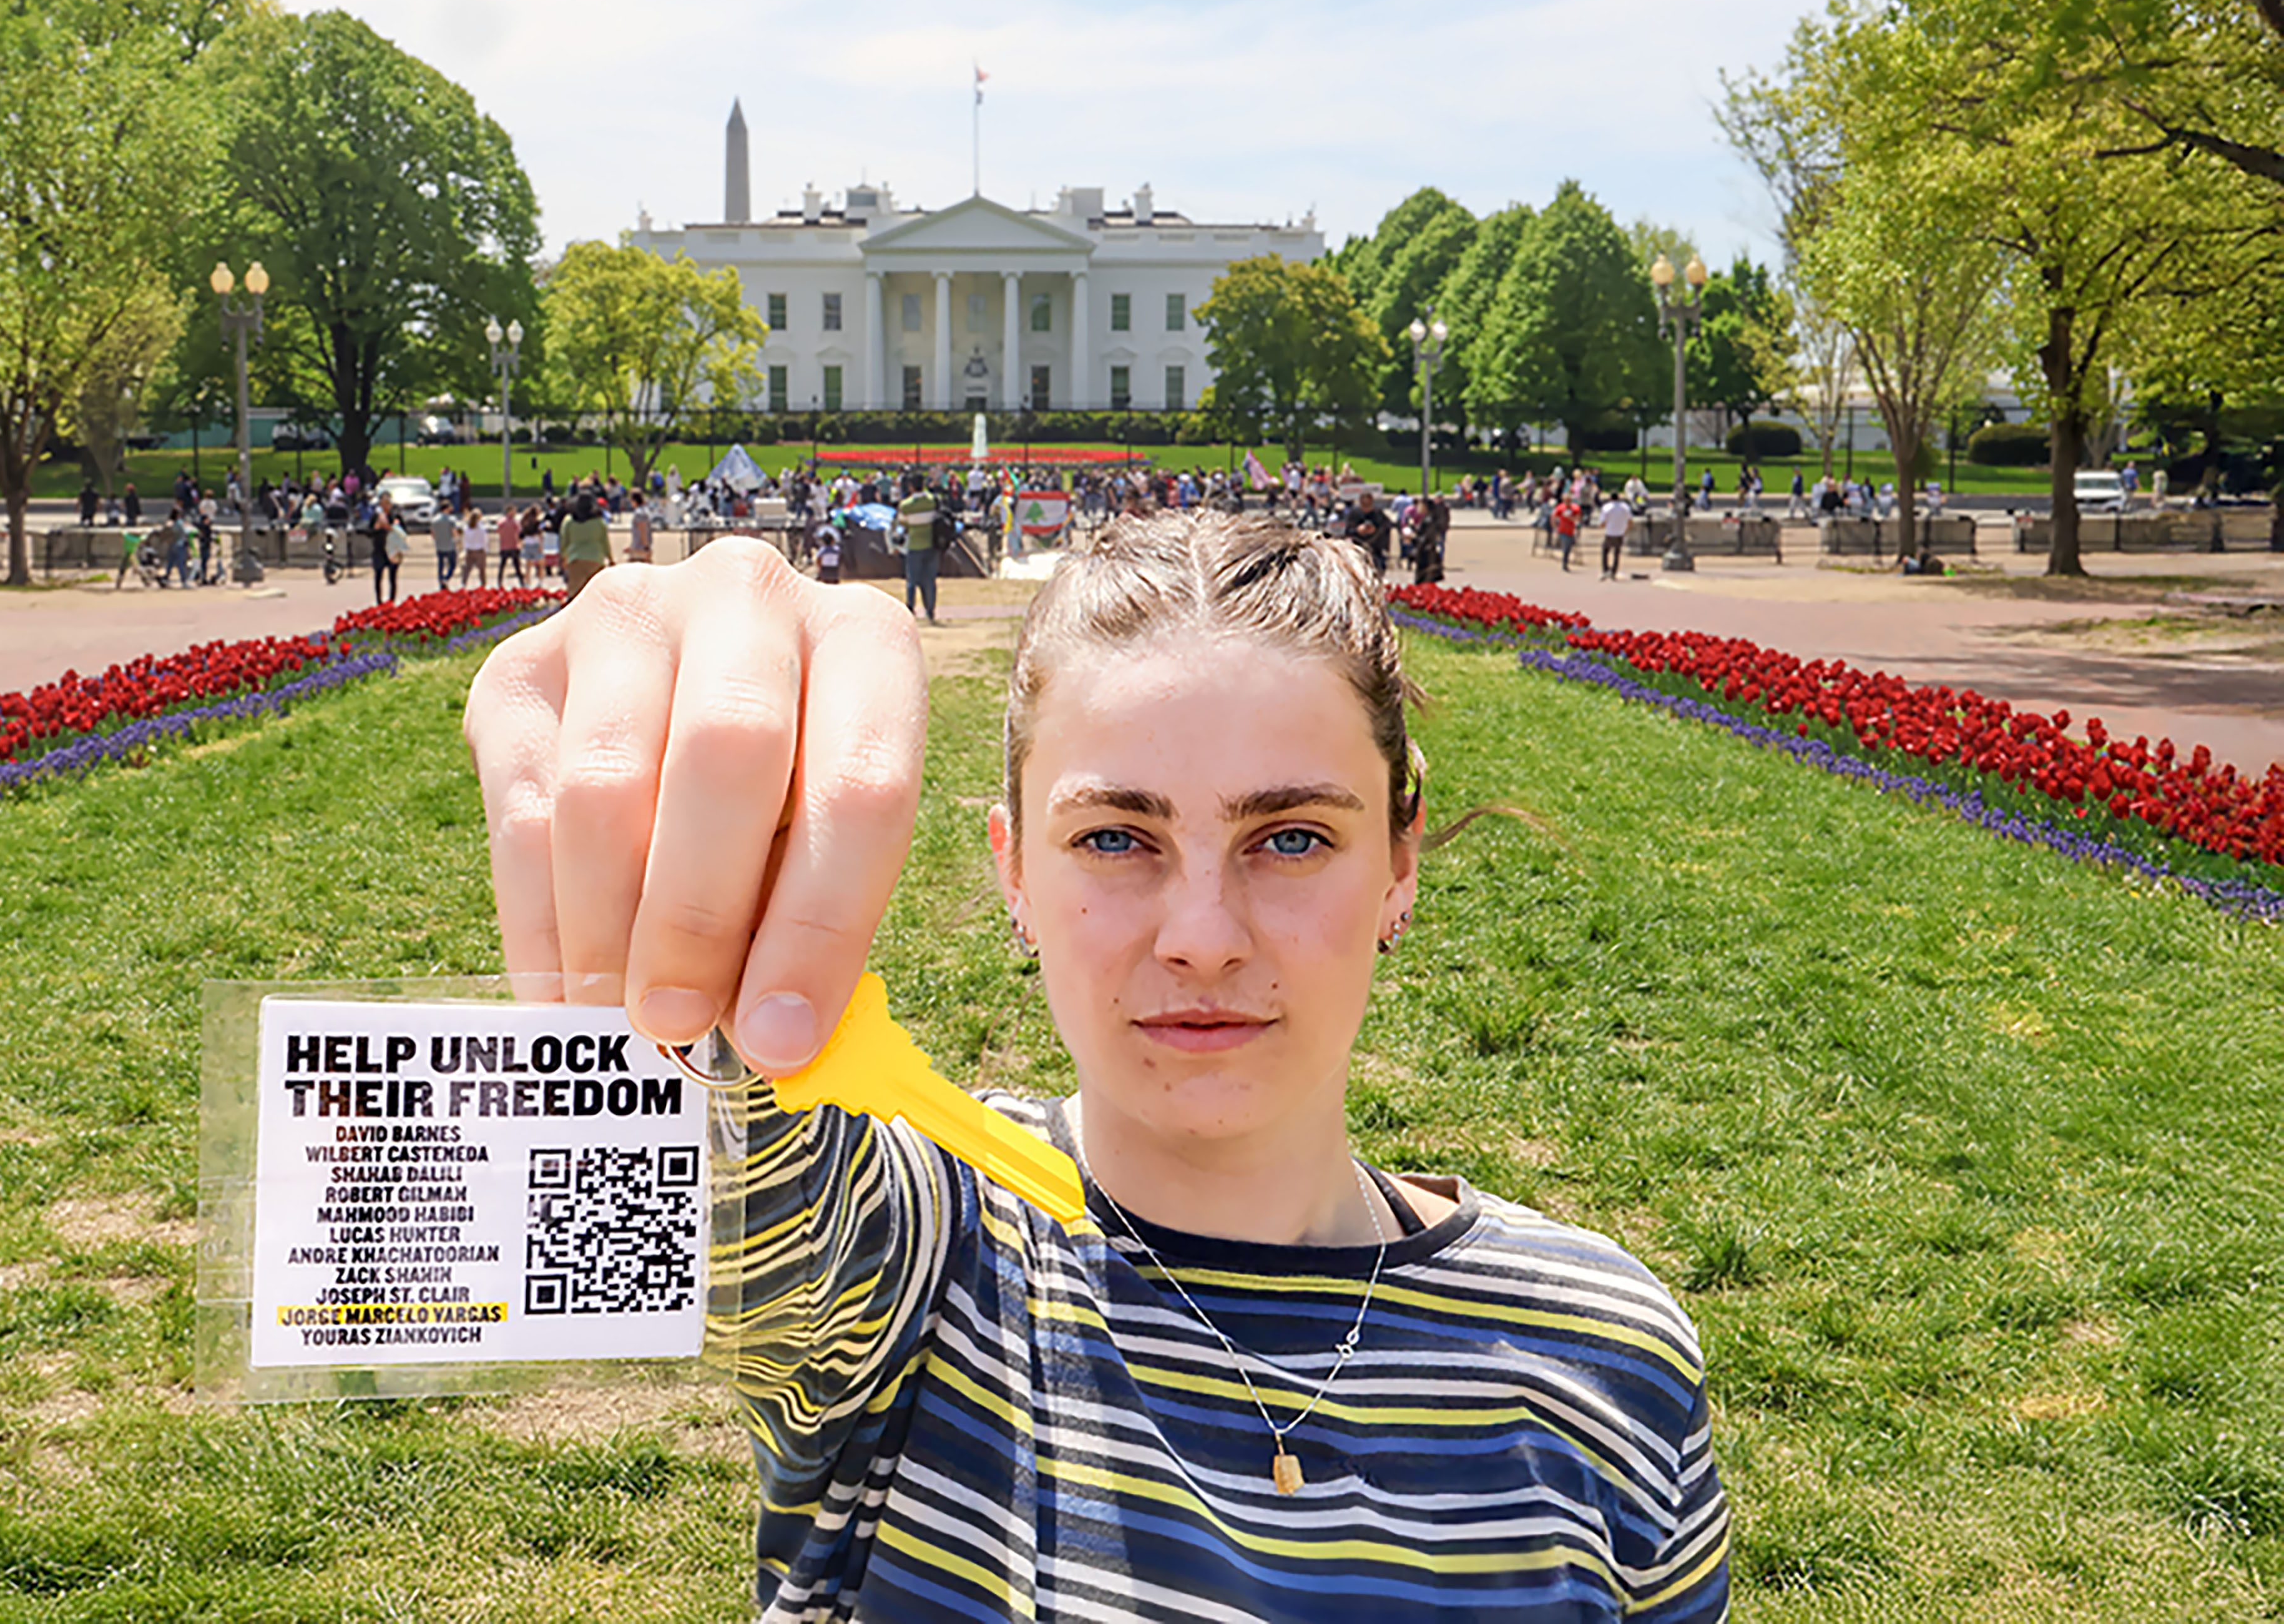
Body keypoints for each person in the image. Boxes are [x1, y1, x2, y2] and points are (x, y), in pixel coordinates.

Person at [462, 514, 1728, 1622]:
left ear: (1397, 866)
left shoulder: (1606, 1357)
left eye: (1289, 838)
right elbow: (714, 1152)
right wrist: (698, 689)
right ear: (1015, 872)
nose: (1199, 938)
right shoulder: (916, 1268)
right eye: (1115, 838)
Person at [896, 473, 940, 622]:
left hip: (915, 545)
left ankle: (911, 609)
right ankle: (930, 610)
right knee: (930, 580)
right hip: (932, 544)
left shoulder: (906, 506)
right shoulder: (933, 501)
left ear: (911, 487)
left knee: (912, 580)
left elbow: (903, 524)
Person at [556, 493, 609, 597]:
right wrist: (610, 558)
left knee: (575, 594)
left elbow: (564, 541)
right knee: (595, 594)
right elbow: (604, 541)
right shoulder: (599, 521)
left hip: (575, 559)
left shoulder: (569, 521)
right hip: (596, 558)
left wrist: (563, 558)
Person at [1599, 488, 1634, 579]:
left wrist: (1603, 526)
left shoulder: (1607, 507)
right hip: (1620, 533)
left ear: (1610, 498)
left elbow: (1603, 523)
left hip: (1610, 532)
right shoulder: (1625, 507)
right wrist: (1626, 530)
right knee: (1617, 553)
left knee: (1605, 551)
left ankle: (1606, 570)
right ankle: (1614, 571)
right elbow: (1630, 521)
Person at [370, 500, 402, 604]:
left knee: (393, 578)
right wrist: (376, 528)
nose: (386, 506)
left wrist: (391, 528)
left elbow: (404, 532)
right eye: (384, 504)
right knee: (378, 577)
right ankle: (379, 600)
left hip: (393, 550)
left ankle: (392, 600)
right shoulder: (376, 517)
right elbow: (369, 531)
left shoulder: (396, 516)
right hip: (379, 550)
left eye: (388, 504)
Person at [1551, 492, 1582, 572]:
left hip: (1571, 531)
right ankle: (1565, 564)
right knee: (1566, 548)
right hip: (1563, 530)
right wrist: (1555, 527)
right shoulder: (1560, 508)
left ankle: (1565, 562)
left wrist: (1570, 518)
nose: (1567, 502)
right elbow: (1553, 517)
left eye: (1569, 500)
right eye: (1566, 501)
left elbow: (1578, 519)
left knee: (1568, 548)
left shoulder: (1575, 508)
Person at [459, 507, 489, 587]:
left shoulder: (467, 528)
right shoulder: (482, 528)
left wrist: (466, 549)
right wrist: (486, 550)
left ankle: (463, 584)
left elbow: (465, 540)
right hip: (480, 551)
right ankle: (483, 585)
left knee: (467, 569)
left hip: (470, 550)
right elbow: (484, 540)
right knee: (482, 569)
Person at [496, 507, 524, 587]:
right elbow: (519, 533)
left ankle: (499, 582)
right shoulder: (515, 522)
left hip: (504, 546)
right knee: (517, 566)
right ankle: (522, 582)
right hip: (514, 546)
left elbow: (498, 531)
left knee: (503, 566)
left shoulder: (501, 522)